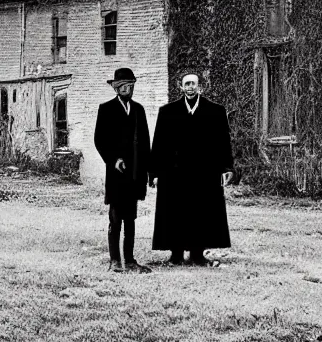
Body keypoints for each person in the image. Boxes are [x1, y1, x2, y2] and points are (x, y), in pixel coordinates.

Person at [150, 73, 234, 266]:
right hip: (174, 173)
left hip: (204, 173)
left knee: (202, 211)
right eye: (186, 84)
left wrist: (227, 167)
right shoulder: (168, 112)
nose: (190, 87)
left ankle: (197, 254)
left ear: (200, 87)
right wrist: (154, 173)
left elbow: (223, 143)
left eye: (193, 84)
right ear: (181, 87)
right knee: (174, 212)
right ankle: (176, 255)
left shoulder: (215, 111)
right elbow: (159, 145)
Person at [94, 67, 152, 273]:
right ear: (116, 89)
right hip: (117, 174)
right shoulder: (106, 109)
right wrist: (113, 160)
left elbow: (145, 144)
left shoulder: (139, 110)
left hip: (135, 174)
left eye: (130, 85)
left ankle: (130, 260)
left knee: (131, 219)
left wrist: (150, 172)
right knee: (116, 218)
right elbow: (99, 140)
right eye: (123, 86)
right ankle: (115, 261)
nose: (127, 88)